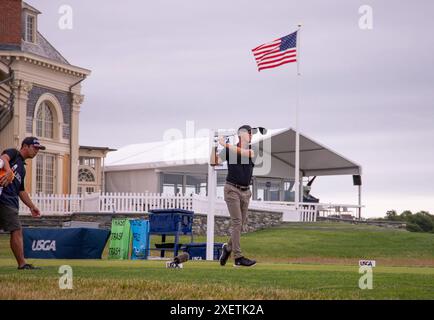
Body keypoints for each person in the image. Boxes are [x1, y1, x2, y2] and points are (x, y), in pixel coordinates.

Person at [211, 125, 258, 267]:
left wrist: (224, 144)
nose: (252, 135)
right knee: (237, 222)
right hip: (232, 189)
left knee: (241, 224)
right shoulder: (228, 150)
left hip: (246, 191)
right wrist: (214, 145)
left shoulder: (252, 150)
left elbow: (244, 154)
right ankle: (238, 257)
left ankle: (227, 248)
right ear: (241, 134)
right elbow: (214, 162)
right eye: (249, 132)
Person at [0, 137, 44, 270]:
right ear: (25, 146)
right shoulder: (14, 153)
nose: (36, 151)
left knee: (16, 230)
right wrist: (8, 170)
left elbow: (21, 190)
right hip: (4, 199)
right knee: (16, 230)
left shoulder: (22, 169)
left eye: (38, 149)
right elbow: (3, 158)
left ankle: (22, 263)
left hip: (10, 202)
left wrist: (32, 207)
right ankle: (22, 264)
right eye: (34, 147)